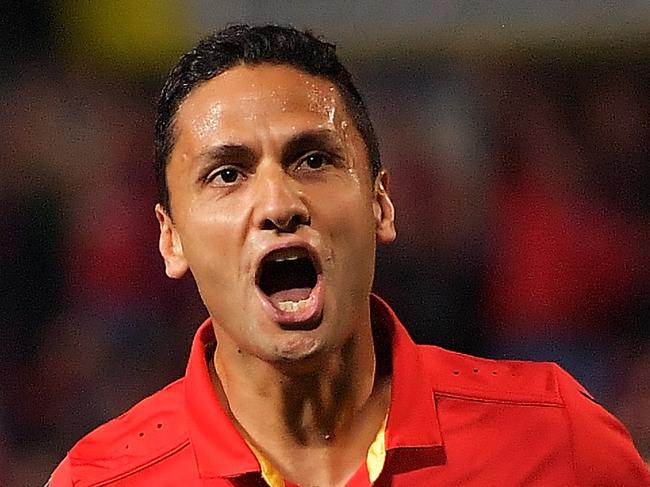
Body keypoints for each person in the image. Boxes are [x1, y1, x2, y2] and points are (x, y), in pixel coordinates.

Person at [47, 24, 649, 486]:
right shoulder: (100, 478)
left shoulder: (553, 438)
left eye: (314, 160)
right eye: (228, 173)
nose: (279, 203)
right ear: (170, 238)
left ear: (381, 204)